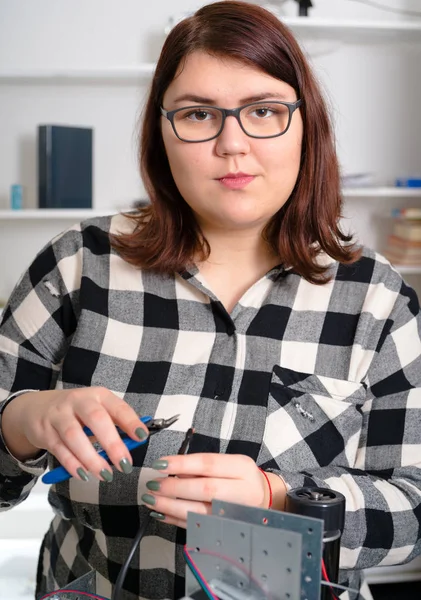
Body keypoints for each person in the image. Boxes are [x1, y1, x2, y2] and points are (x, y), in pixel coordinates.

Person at [0, 2, 420, 599]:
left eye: (264, 111)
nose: (232, 144)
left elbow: (414, 508)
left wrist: (280, 497)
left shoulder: (377, 301)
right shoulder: (79, 264)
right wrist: (21, 421)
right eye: (198, 114)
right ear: (162, 132)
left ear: (307, 125)